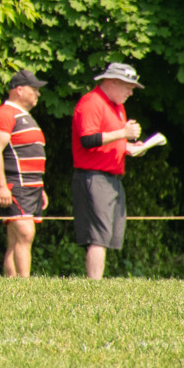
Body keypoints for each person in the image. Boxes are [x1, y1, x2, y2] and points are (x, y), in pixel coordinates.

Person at [71, 62, 147, 280]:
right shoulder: (91, 102)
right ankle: (94, 287)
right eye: (128, 87)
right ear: (112, 82)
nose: (131, 93)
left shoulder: (117, 107)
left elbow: (109, 142)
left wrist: (129, 148)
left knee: (108, 236)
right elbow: (88, 140)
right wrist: (123, 133)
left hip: (112, 177)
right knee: (98, 237)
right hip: (94, 176)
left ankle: (99, 282)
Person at [0, 70, 49, 277]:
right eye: (34, 90)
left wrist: (41, 188)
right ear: (19, 90)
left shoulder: (25, 117)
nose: (38, 94)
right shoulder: (5, 114)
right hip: (16, 184)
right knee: (25, 233)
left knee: (16, 239)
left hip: (32, 187)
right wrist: (2, 186)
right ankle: (24, 285)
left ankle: (12, 286)